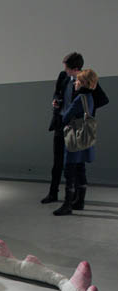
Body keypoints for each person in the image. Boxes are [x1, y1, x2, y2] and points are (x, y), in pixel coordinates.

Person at [41, 52, 109, 204]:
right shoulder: (63, 77)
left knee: (76, 164)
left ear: (75, 68)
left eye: (66, 67)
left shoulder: (85, 80)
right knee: (58, 162)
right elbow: (57, 93)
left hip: (76, 128)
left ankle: (75, 198)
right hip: (61, 123)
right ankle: (53, 193)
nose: (64, 70)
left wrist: (84, 110)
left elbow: (103, 99)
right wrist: (56, 101)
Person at [53, 69, 98, 216]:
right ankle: (80, 201)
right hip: (84, 139)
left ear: (83, 82)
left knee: (69, 171)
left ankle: (67, 204)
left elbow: (66, 116)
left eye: (77, 81)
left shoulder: (79, 98)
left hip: (75, 139)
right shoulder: (90, 97)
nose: (75, 83)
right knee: (81, 169)